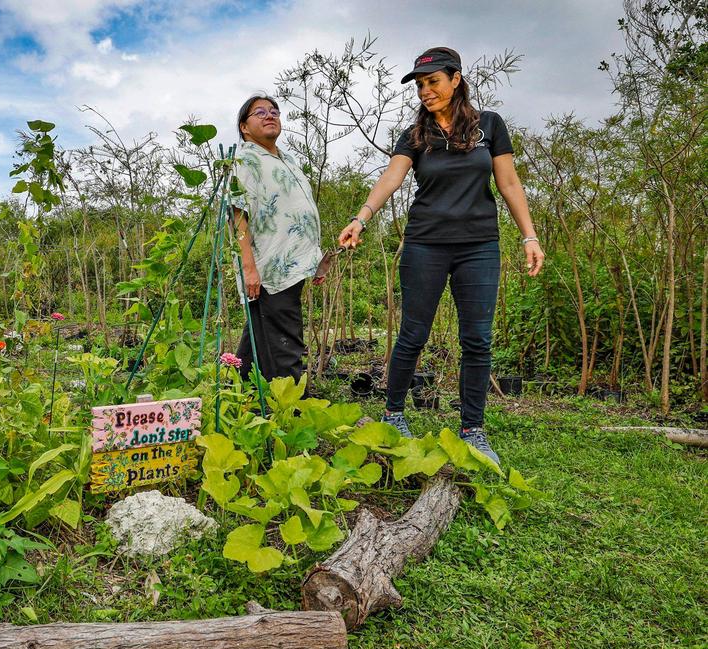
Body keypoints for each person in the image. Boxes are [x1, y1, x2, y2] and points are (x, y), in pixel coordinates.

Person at [336, 47, 545, 465]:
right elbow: (392, 177)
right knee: (413, 334)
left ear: (456, 79)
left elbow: (509, 183)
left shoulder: (490, 125)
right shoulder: (415, 135)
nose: (425, 91)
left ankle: (473, 429)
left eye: (433, 81)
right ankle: (393, 415)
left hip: (479, 245)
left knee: (477, 340)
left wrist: (529, 236)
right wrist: (361, 217)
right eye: (419, 85)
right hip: (425, 243)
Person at [230, 93, 326, 388]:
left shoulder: (287, 159)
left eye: (274, 111)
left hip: (293, 264)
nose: (269, 115)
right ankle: (294, 411)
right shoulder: (245, 158)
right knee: (285, 342)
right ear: (245, 127)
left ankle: (237, 394)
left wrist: (315, 260)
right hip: (270, 267)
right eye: (259, 112)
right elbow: (237, 214)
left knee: (260, 334)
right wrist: (249, 268)